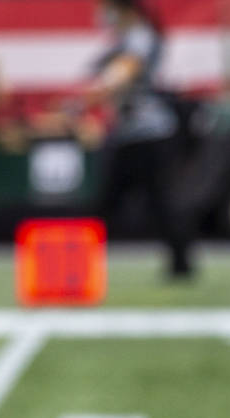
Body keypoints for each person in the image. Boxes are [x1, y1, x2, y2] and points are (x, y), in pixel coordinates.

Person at [81, 0, 193, 279]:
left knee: (154, 202)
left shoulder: (140, 35)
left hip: (150, 135)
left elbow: (125, 70)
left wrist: (99, 91)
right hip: (130, 134)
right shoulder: (125, 39)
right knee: (117, 202)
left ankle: (181, 264)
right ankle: (82, 262)